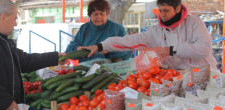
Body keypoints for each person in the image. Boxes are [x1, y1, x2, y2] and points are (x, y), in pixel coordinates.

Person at [82, 0, 218, 70]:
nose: (162, 15)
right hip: (178, 77)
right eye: (160, 10)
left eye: (166, 11)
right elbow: (130, 40)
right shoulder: (157, 31)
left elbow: (203, 49)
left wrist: (171, 50)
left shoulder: (194, 22)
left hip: (205, 73)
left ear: (177, 9)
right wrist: (101, 45)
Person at [65, 0, 132, 62]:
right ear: (90, 15)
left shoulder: (118, 29)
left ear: (107, 14)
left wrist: (109, 50)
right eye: (95, 14)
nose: (99, 17)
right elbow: (69, 49)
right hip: (84, 71)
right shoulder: (84, 28)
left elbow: (128, 52)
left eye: (102, 14)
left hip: (109, 71)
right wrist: (77, 48)